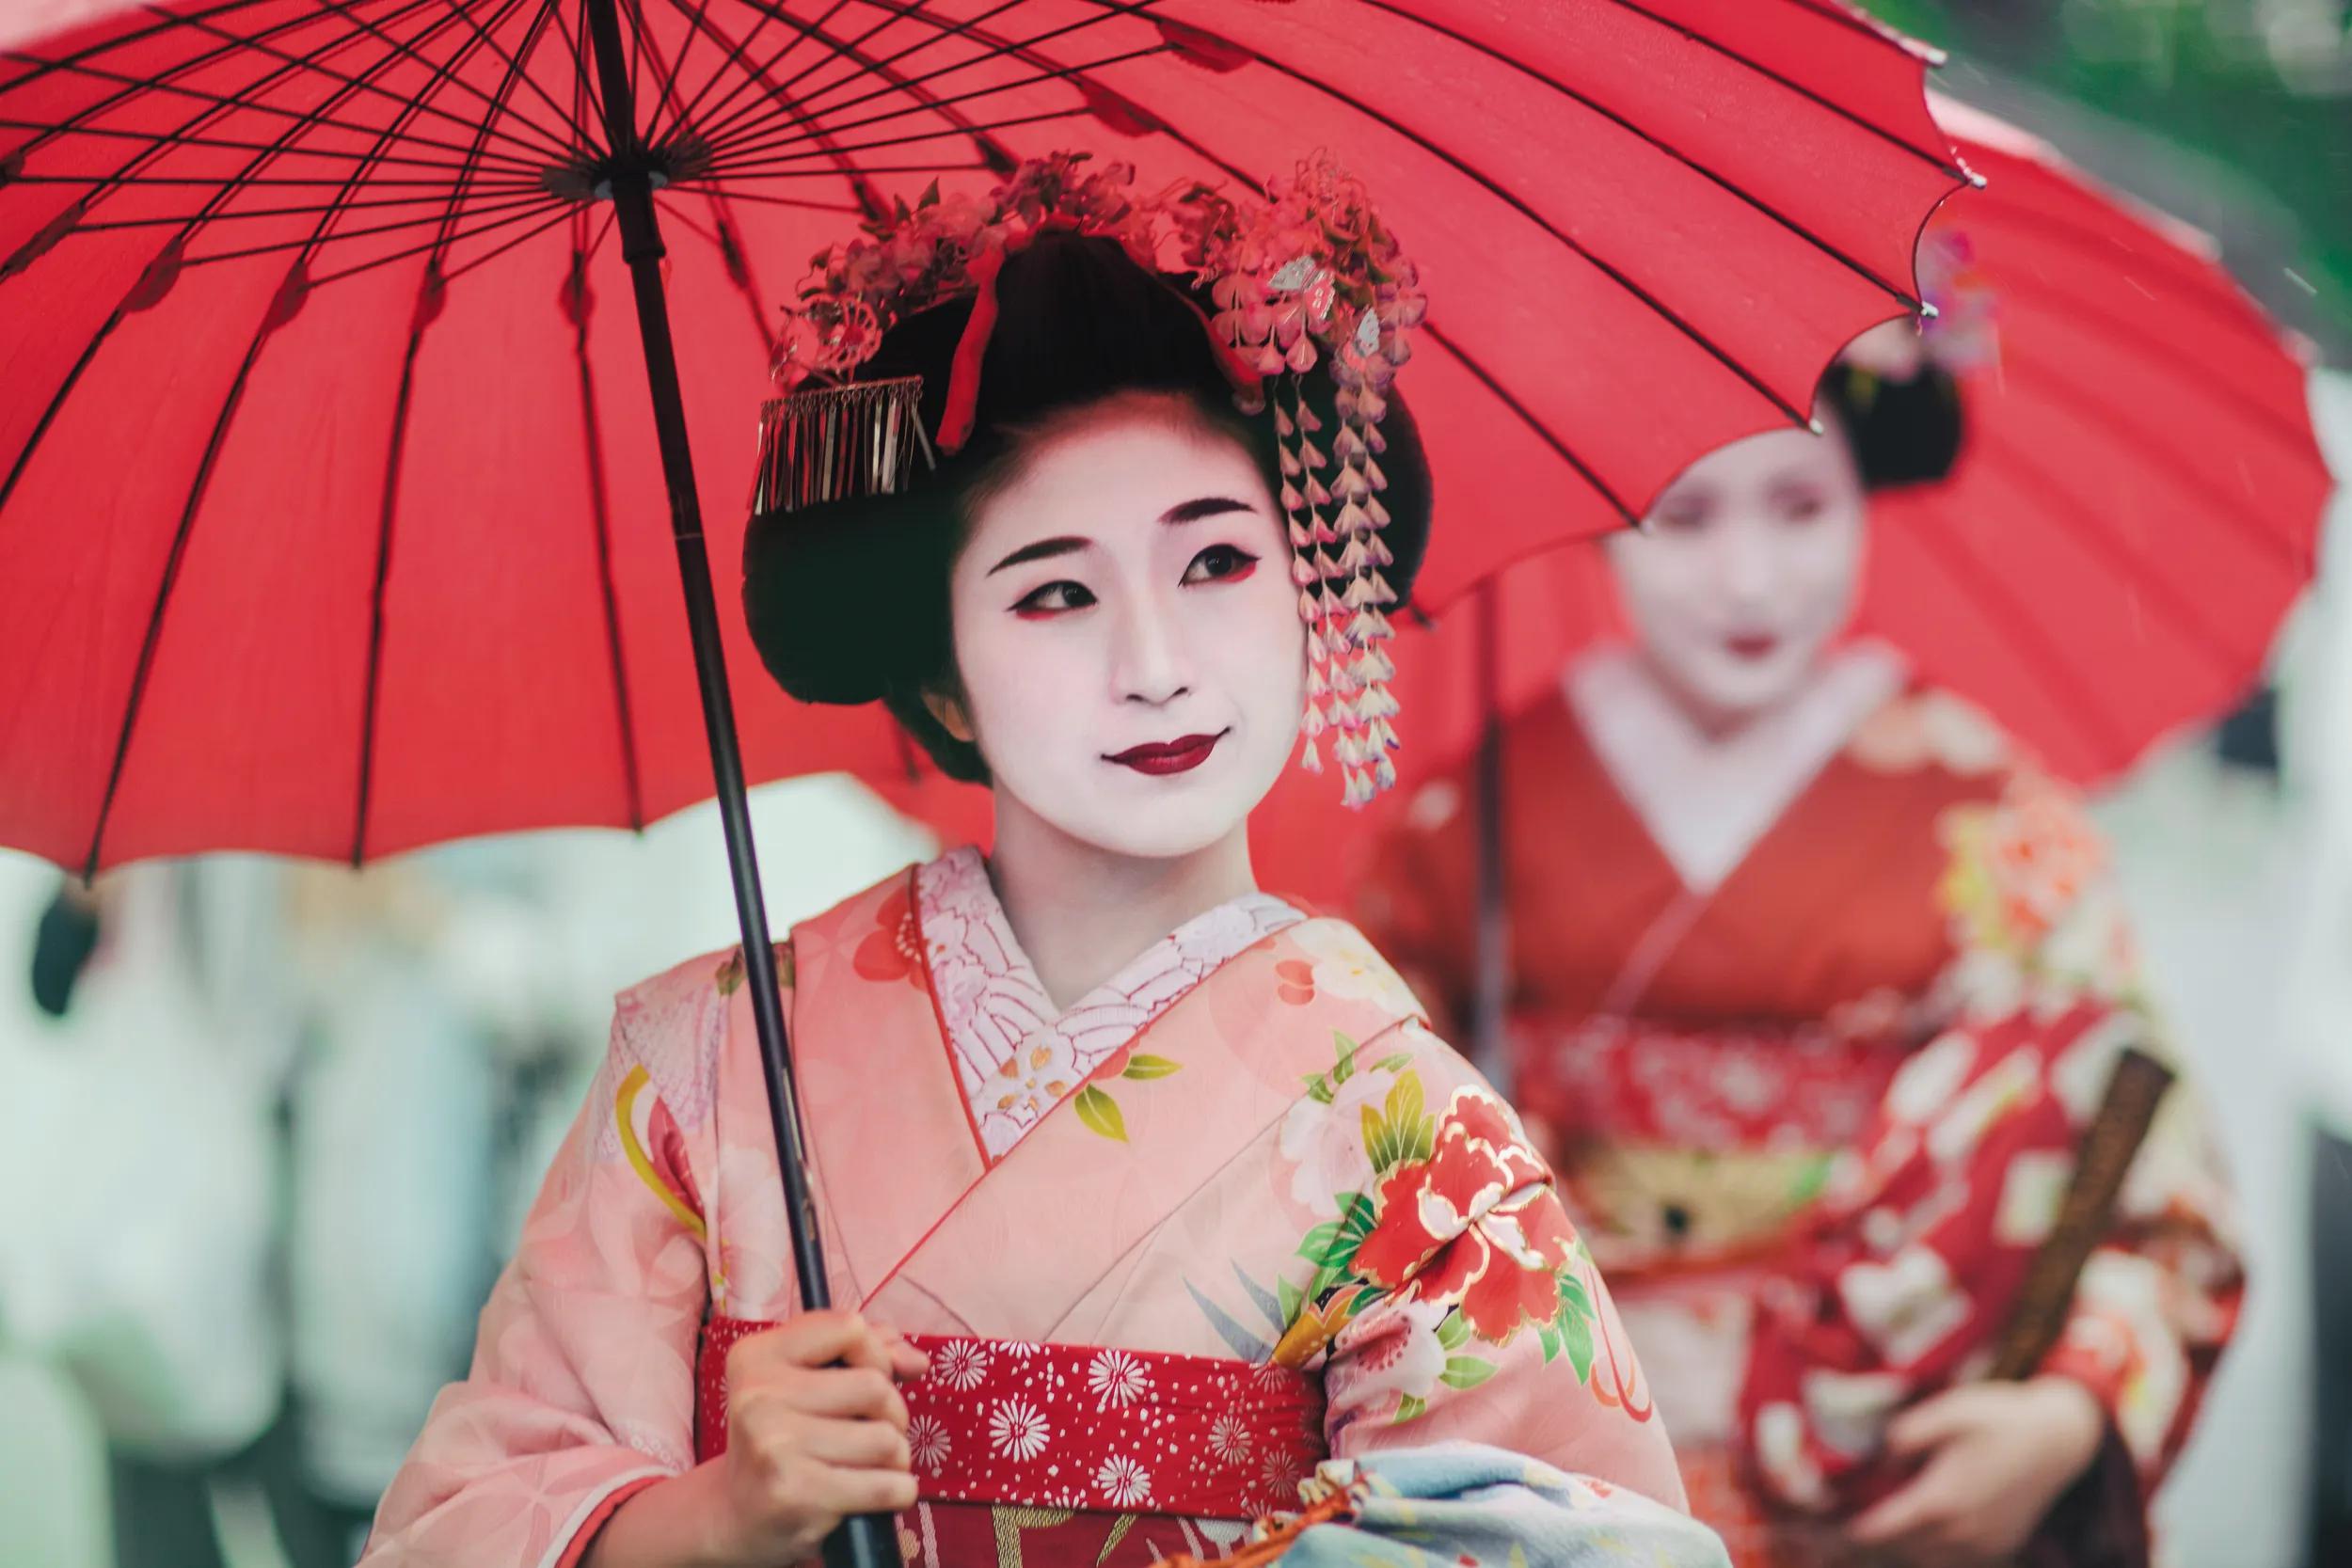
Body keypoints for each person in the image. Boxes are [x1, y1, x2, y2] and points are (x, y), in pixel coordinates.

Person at [359, 154, 1724, 1568]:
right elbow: (449, 1530)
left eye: (1216, 565)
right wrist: (711, 1516)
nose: (1155, 666)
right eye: (1056, 594)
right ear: (941, 681)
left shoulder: (1415, 1139)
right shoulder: (703, 1070)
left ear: (1315, 592)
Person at [1354, 330, 2244, 1566]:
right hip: (1553, 1441)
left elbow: (2144, 1146)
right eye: (1688, 515)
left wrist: (2063, 1413)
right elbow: (1356, 1153)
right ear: (1606, 515)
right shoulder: (1474, 819)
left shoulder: (1978, 809)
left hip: (1883, 1440)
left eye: (1799, 505)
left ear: (1867, 496)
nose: (1750, 576)